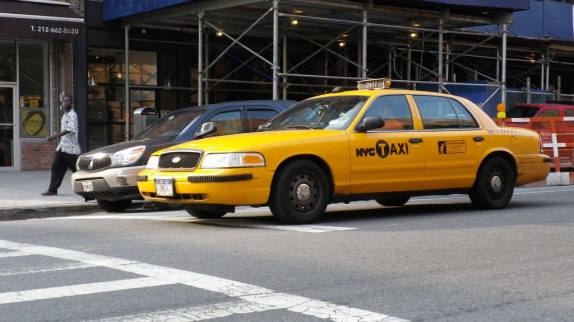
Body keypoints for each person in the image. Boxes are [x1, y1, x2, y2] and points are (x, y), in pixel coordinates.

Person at [41, 95, 81, 196]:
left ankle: (89, 190)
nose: (65, 103)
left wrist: (53, 137)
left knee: (77, 171)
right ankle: (52, 189)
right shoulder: (65, 114)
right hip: (62, 147)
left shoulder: (72, 115)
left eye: (67, 101)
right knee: (56, 167)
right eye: (64, 101)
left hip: (71, 149)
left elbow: (69, 129)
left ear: (71, 103)